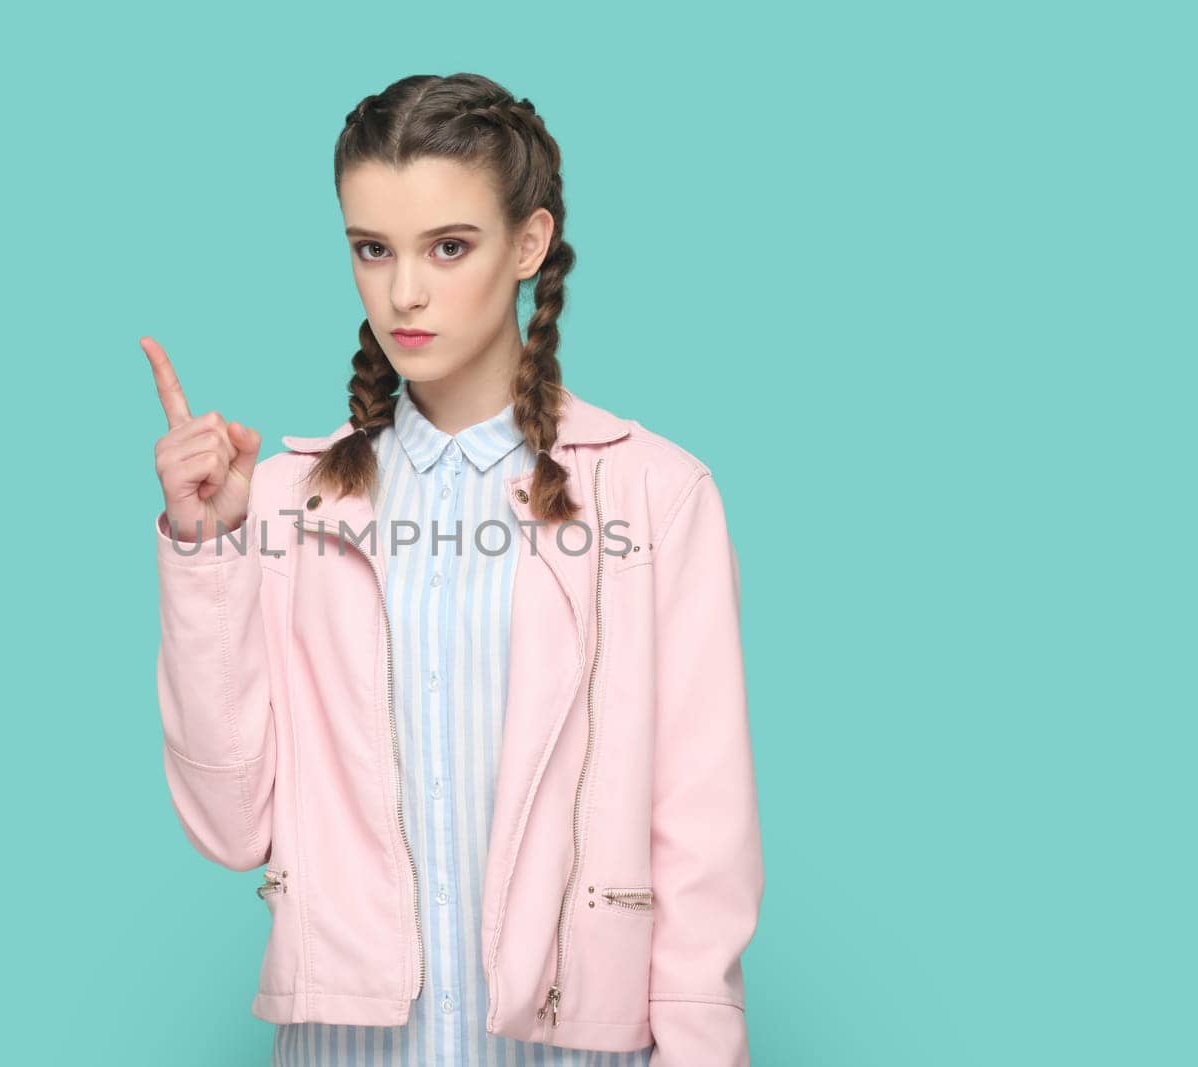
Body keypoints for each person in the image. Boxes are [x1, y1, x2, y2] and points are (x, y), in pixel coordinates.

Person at [144, 72, 764, 1067]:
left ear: (526, 244)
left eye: (448, 246)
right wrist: (207, 547)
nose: (404, 292)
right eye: (371, 249)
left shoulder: (654, 494)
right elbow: (230, 823)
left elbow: (703, 829)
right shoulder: (290, 498)